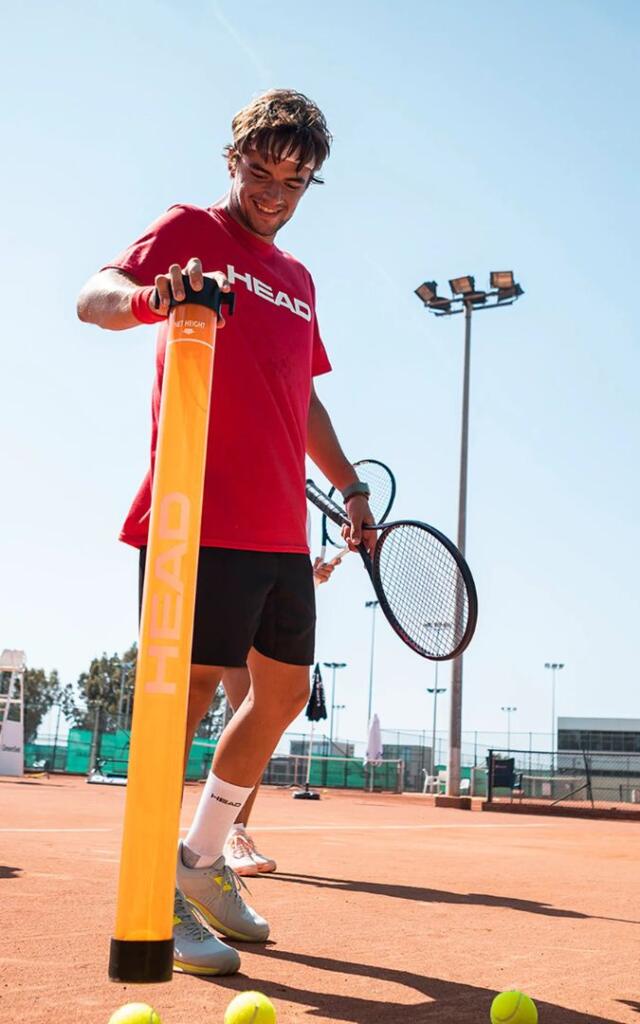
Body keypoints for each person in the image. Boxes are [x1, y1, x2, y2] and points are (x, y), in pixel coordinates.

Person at [77, 90, 372, 976]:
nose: (274, 193)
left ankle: (199, 861)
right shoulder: (188, 229)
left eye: (295, 181)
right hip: (195, 516)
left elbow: (304, 396)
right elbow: (94, 298)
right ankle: (151, 888)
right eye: (260, 171)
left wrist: (350, 486)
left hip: (280, 526)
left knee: (281, 696)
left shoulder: (299, 281)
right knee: (187, 697)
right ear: (232, 158)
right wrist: (150, 299)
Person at [221, 554, 337, 877]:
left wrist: (311, 580)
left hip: (265, 621)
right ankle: (218, 837)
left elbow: (278, 581)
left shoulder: (295, 528)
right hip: (230, 605)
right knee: (251, 726)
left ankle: (233, 833)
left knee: (260, 728)